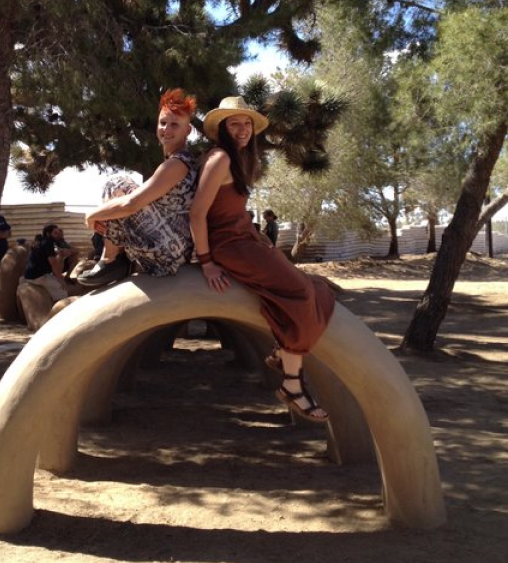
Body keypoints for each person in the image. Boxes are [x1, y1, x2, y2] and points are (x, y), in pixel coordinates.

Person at [189, 96, 335, 423]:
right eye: (234, 124)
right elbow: (197, 213)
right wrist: (207, 261)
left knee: (313, 287)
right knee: (300, 293)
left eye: (246, 123)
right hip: (229, 244)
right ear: (222, 128)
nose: (242, 130)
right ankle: (293, 384)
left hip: (245, 238)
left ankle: (284, 354)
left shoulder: (237, 158)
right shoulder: (220, 159)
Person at [79, 88, 199, 287]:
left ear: (187, 131)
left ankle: (110, 260)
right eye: (163, 123)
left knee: (117, 184)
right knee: (121, 193)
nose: (166, 130)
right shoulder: (181, 161)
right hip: (174, 245)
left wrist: (93, 215)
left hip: (169, 252)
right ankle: (113, 258)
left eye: (175, 125)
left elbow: (132, 204)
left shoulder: (177, 164)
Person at [23, 224, 69, 302]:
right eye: (55, 233)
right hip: (38, 276)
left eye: (58, 233)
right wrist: (61, 280)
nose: (58, 235)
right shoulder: (48, 243)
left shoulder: (40, 241)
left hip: (30, 274)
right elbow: (53, 263)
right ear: (48, 233)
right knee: (63, 292)